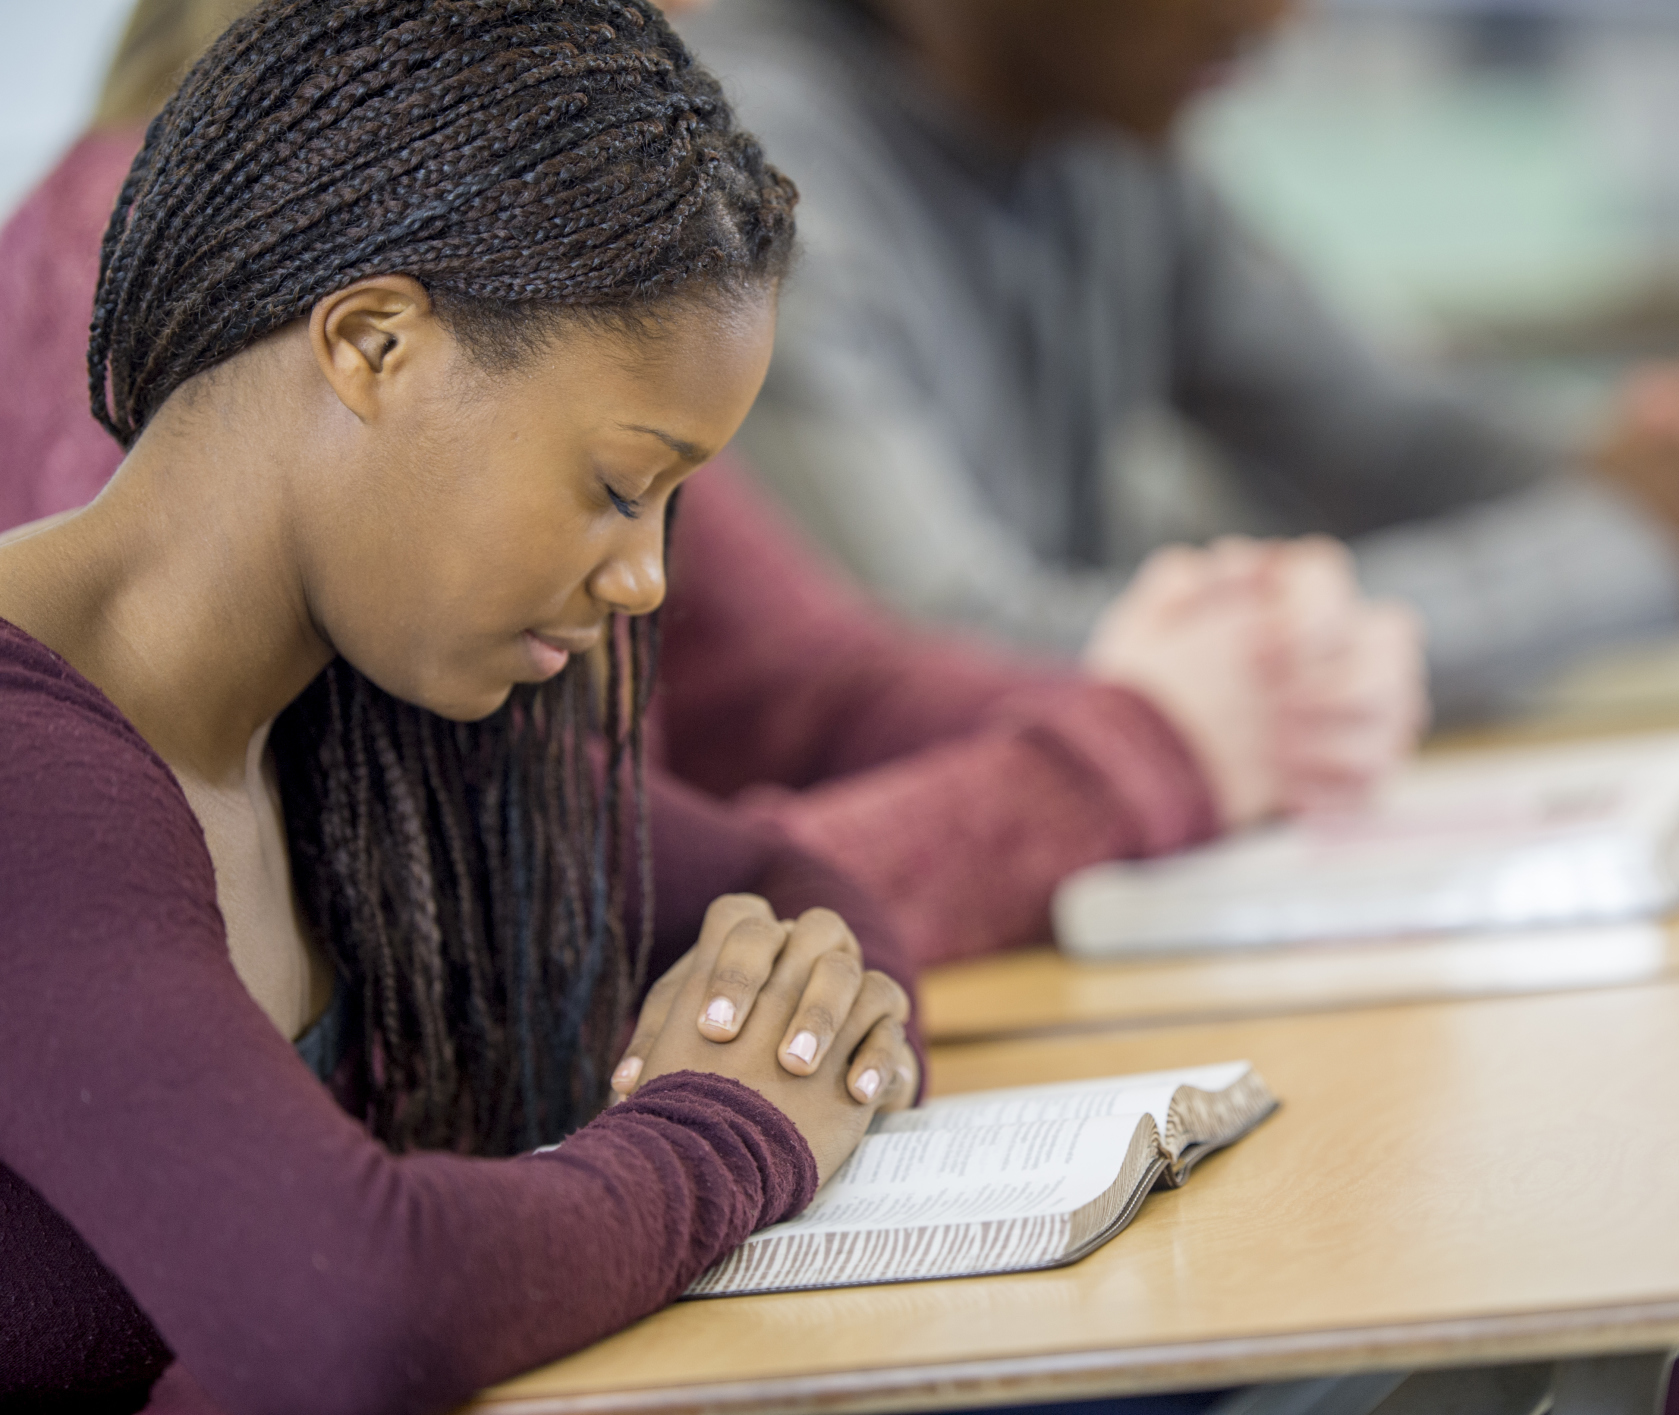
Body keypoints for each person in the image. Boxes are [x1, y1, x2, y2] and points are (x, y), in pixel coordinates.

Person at [0, 0, 1424, 971]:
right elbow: (514, 942)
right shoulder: (178, 311)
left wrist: (1208, 697)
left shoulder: (536, 259)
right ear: (369, 344)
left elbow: (809, 680)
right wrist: (1130, 760)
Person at [0, 4, 931, 1409]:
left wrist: (782, 1025)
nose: (643, 576)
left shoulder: (353, 715)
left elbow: (784, 885)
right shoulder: (28, 764)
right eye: (622, 486)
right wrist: (730, 1129)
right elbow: (356, 1303)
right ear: (373, 343)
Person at [677, 0, 1679, 720]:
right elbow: (953, 671)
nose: (1280, 13)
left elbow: (1393, 437)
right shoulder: (732, 162)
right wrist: (1634, 547)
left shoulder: (1098, 134)